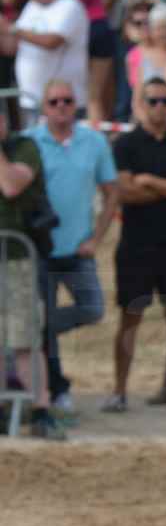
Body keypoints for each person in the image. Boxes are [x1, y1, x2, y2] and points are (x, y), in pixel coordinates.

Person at [105, 76, 166, 414]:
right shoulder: (125, 144)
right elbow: (124, 193)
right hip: (136, 244)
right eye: (153, 101)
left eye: (165, 101)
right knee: (130, 318)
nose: (159, 107)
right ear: (140, 104)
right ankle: (119, 391)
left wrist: (148, 180)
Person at [24, 78, 116, 417]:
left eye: (67, 101)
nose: (62, 107)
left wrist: (96, 238)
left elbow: (112, 192)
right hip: (39, 250)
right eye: (54, 102)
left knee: (92, 309)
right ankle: (56, 387)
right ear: (44, 107)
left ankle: (35, 333)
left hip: (79, 251)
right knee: (43, 319)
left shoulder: (94, 141)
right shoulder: (29, 143)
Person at [0, 103, 60, 439]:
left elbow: (10, 185)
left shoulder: (24, 147)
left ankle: (41, 409)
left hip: (17, 257)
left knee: (24, 338)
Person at [2, 0, 90, 123]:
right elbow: (12, 47)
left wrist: (11, 29)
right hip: (30, 99)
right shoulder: (32, 6)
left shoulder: (70, 6)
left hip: (62, 102)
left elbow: (52, 42)